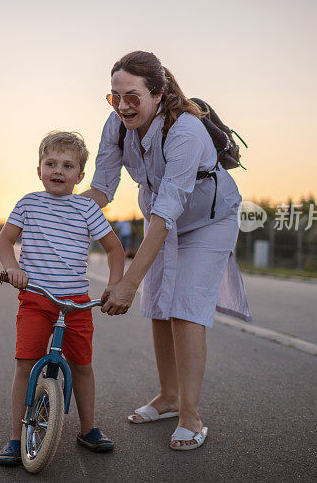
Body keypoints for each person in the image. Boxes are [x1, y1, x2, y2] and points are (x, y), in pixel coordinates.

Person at [82, 51, 250, 451]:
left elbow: (165, 216)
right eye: (115, 97)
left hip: (209, 222)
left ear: (158, 93)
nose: (123, 106)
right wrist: (55, 208)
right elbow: (102, 189)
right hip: (162, 218)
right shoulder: (117, 125)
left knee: (185, 309)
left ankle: (191, 415)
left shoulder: (186, 131)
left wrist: (125, 283)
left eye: (133, 97)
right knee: (158, 304)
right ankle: (169, 396)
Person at [0, 131, 125, 465]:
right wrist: (13, 269)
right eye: (50, 163)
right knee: (26, 364)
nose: (58, 170)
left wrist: (114, 284)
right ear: (39, 169)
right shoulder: (28, 203)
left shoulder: (86, 209)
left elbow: (114, 249)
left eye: (67, 165)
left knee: (82, 365)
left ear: (79, 176)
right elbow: (4, 241)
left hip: (77, 302)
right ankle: (15, 436)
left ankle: (88, 429)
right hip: (36, 298)